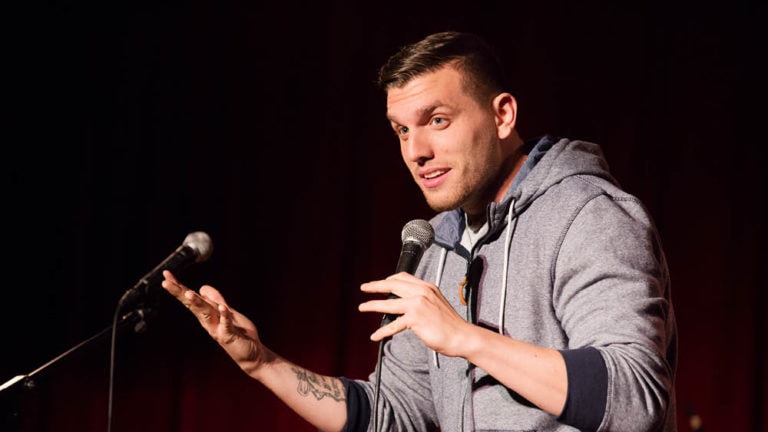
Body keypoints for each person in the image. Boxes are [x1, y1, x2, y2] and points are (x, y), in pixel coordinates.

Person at [161, 31, 678, 431]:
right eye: (402, 130)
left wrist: (465, 338)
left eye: (437, 120)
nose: (415, 152)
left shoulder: (588, 215)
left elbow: (635, 399)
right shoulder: (438, 245)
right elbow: (394, 415)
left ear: (502, 115)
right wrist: (262, 364)